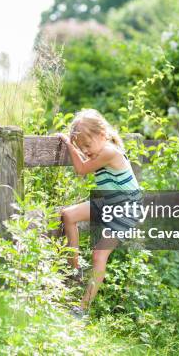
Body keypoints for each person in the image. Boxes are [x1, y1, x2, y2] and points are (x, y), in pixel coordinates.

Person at [56, 108, 144, 318]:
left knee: (99, 254)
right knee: (69, 215)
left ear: (102, 134)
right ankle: (75, 268)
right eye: (81, 147)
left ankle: (82, 308)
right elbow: (85, 165)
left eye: (87, 145)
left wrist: (68, 144)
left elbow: (81, 170)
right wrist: (75, 147)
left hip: (126, 210)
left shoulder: (109, 152)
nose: (85, 150)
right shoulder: (99, 151)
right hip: (108, 202)